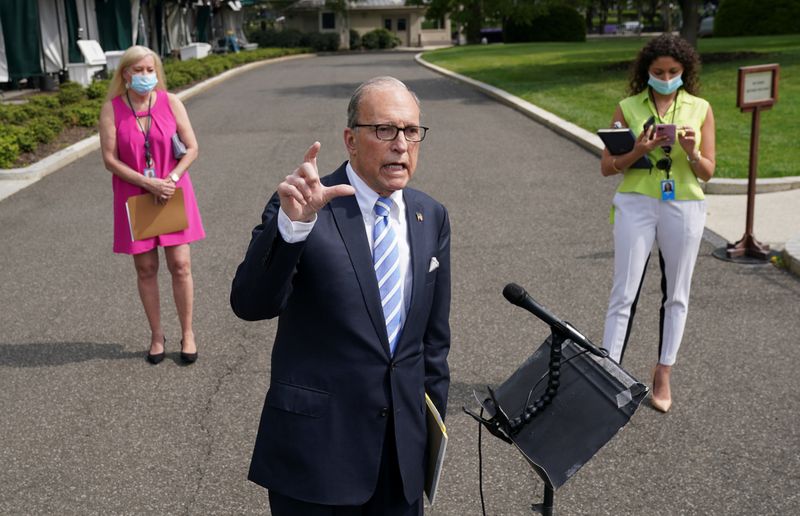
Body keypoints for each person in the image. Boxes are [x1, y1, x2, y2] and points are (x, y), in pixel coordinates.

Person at [230, 76, 451, 514]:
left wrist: (427, 434)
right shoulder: (305, 206)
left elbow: (432, 342)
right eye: (385, 130)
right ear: (351, 139)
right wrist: (292, 229)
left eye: (411, 131)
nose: (401, 144)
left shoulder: (431, 214)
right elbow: (250, 303)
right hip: (317, 454)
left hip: (401, 459)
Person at [599, 34, 716, 413]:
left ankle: (663, 371)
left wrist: (691, 152)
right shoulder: (627, 107)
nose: (666, 77)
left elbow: (708, 172)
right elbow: (607, 166)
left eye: (673, 72)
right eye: (658, 72)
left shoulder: (700, 108)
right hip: (636, 202)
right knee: (623, 292)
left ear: (685, 71)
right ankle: (607, 372)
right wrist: (639, 149)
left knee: (677, 293)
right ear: (646, 71)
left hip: (683, 204)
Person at [99, 45, 205, 365]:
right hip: (136, 194)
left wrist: (170, 179)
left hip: (171, 191)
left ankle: (187, 333)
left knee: (181, 266)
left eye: (150, 70)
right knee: (146, 269)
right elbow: (109, 159)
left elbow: (192, 148)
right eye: (138, 70)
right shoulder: (112, 109)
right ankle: (157, 335)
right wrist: (148, 183)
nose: (145, 76)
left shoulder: (171, 102)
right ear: (125, 74)